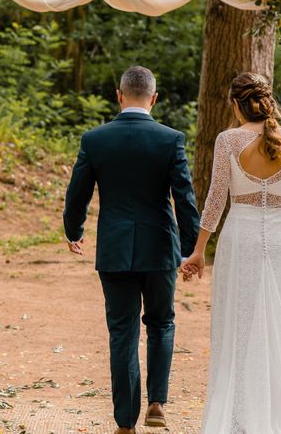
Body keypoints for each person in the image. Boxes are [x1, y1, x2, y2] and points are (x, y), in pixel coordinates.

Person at [181, 72, 281, 433]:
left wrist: (198, 250)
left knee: (241, 326)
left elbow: (216, 200)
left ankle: (242, 420)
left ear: (236, 105)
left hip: (241, 240)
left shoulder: (228, 141)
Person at [63, 65, 200, 434]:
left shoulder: (95, 139)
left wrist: (73, 230)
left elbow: (78, 193)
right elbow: (184, 198)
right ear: (153, 98)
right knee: (161, 322)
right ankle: (157, 402)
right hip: (160, 250)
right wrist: (189, 250)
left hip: (115, 249)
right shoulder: (170, 139)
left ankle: (125, 422)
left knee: (122, 331)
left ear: (119, 95)